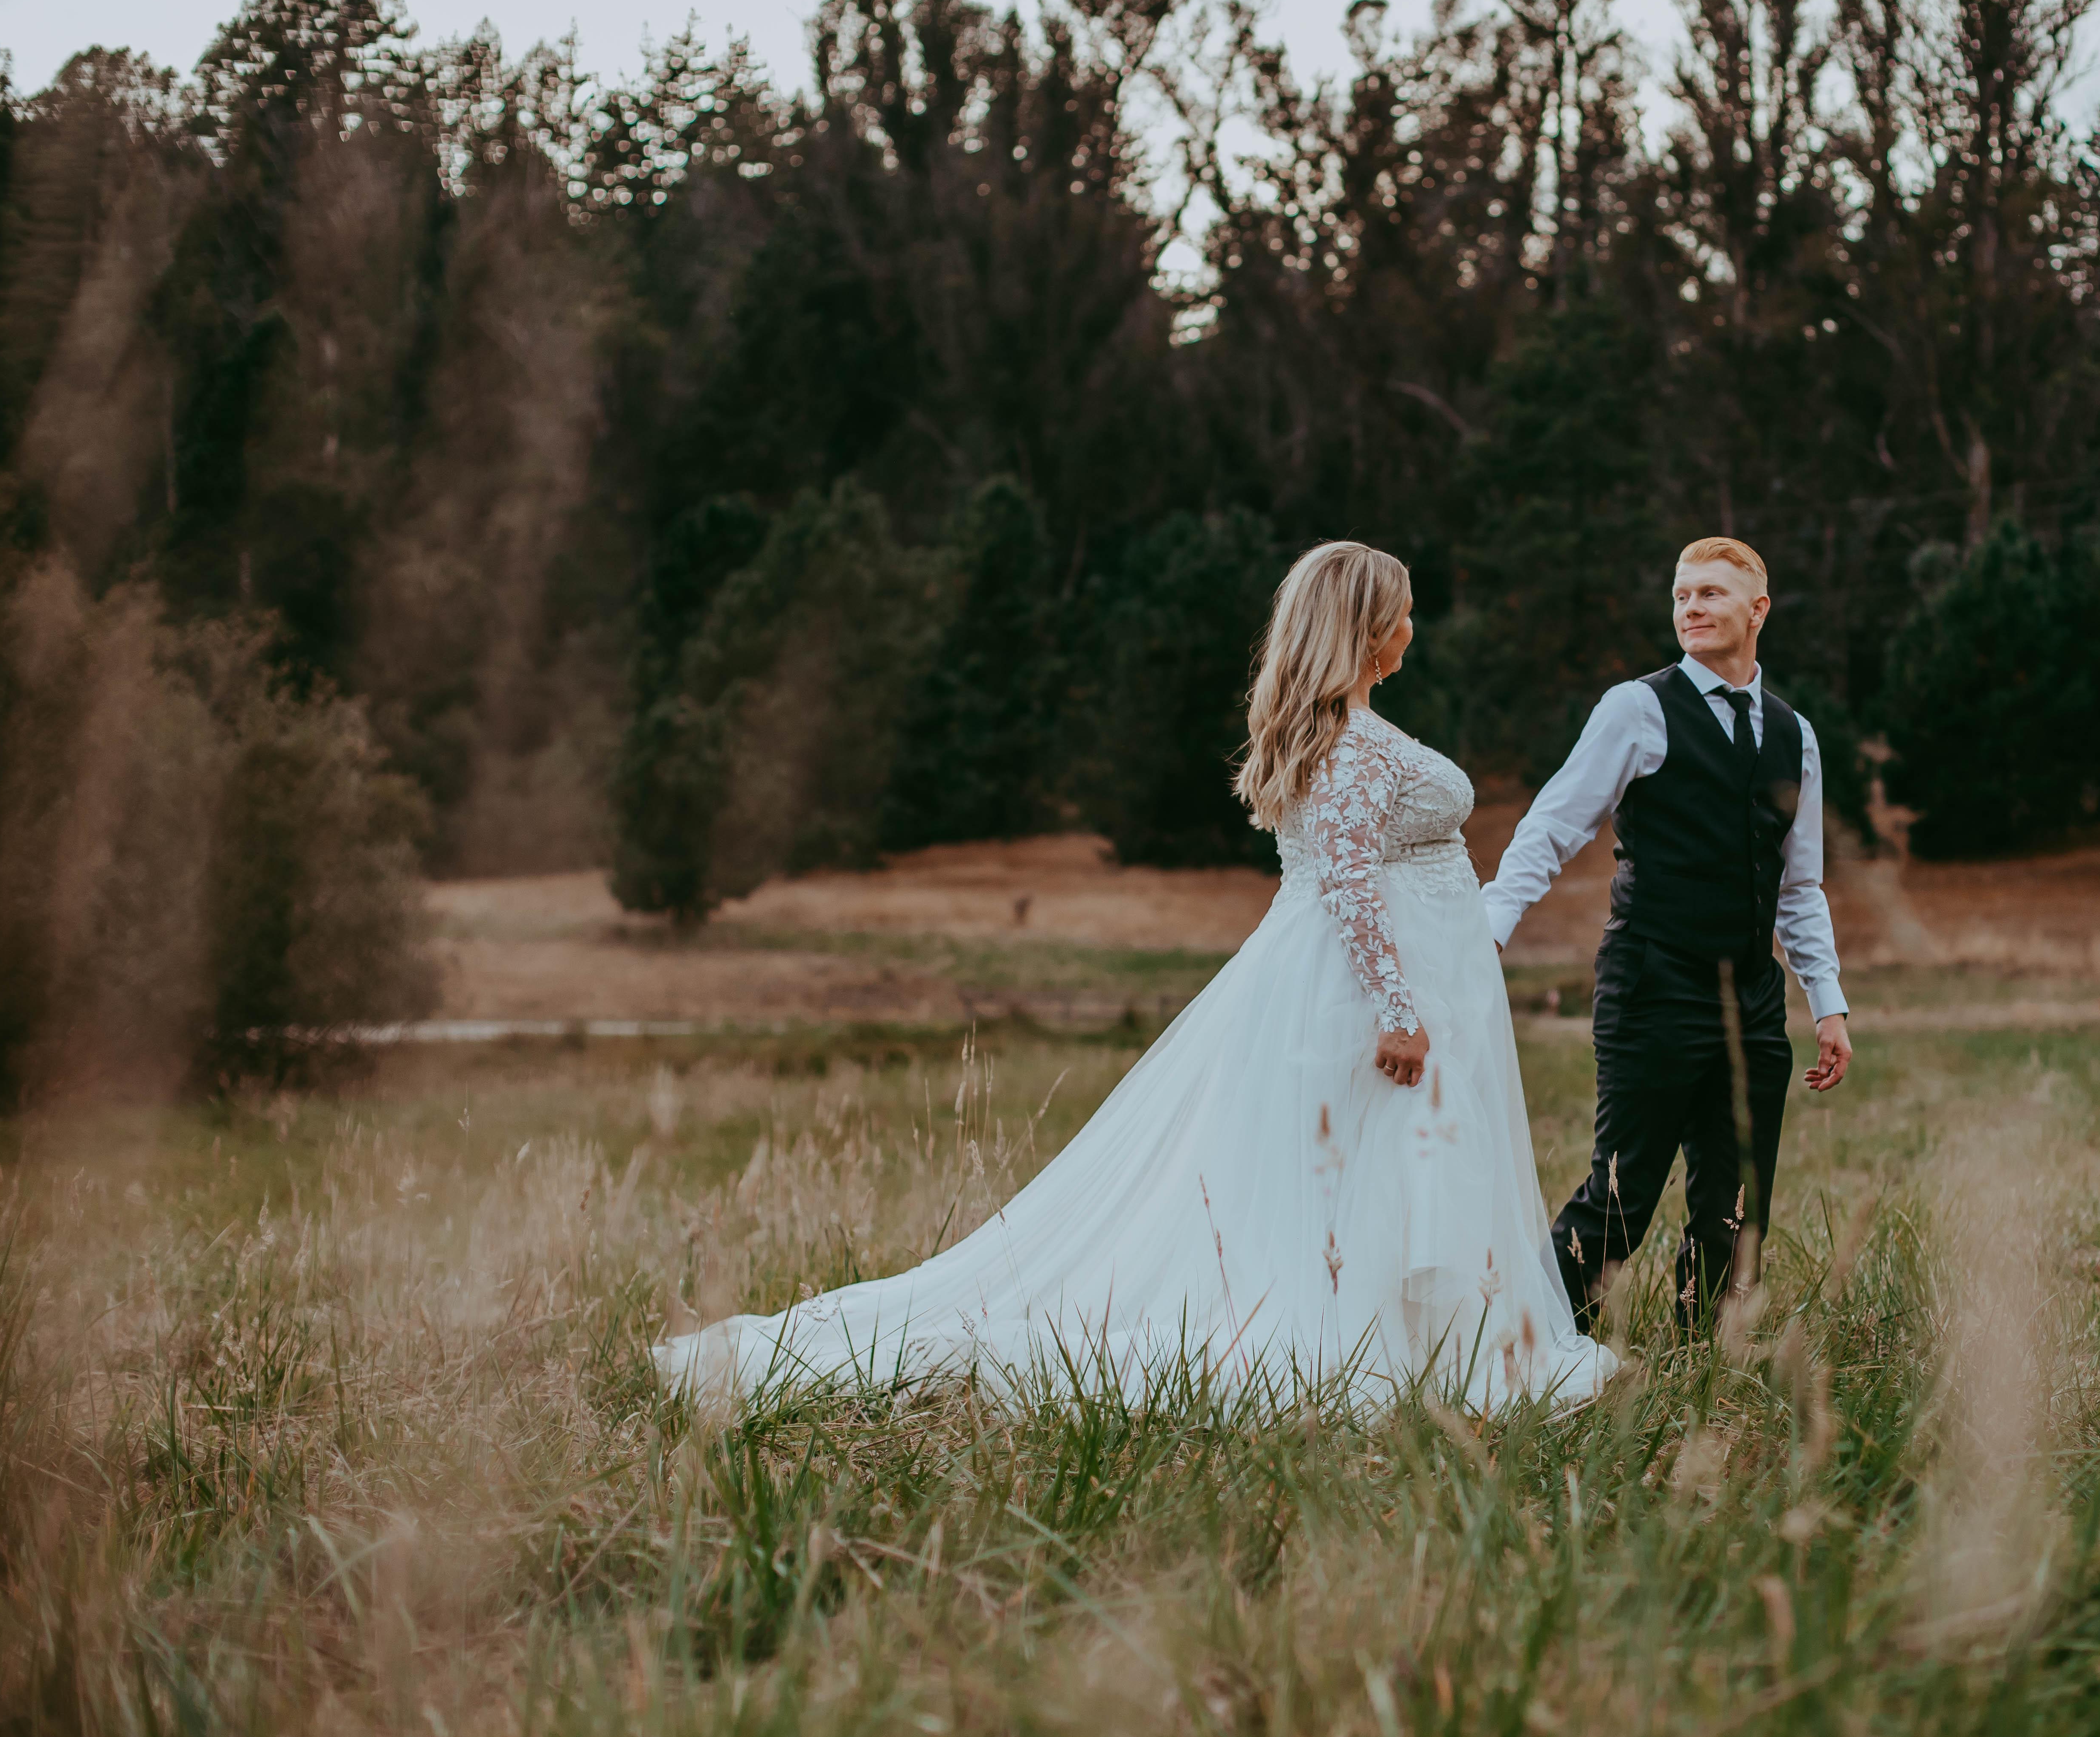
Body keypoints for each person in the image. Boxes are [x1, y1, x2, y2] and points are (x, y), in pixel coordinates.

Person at [654, 541, 1614, 1410]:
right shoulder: (1355, 744)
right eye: (1402, 612)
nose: (1412, 627)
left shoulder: (1347, 733)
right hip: (1360, 991)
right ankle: (1378, 1346)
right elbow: (1350, 879)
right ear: (1368, 629)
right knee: (1364, 1166)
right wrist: (1398, 1009)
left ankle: (1418, 1342)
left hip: (1356, 979)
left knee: (1371, 1170)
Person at [1484, 536, 1853, 1335]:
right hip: (1653, 981)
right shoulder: (1636, 709)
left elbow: (1799, 886)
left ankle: (1706, 1360)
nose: (1691, 608)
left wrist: (1828, 1004)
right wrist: (1490, 930)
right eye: (1682, 595)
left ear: (1758, 610)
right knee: (1622, 1195)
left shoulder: (1795, 734)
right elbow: (1553, 827)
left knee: (1737, 1205)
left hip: (1753, 998)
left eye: (1711, 594)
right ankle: (1531, 1347)